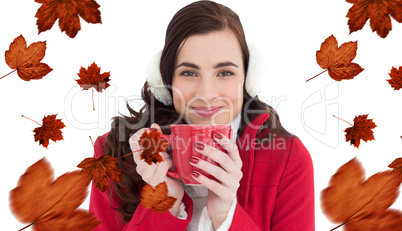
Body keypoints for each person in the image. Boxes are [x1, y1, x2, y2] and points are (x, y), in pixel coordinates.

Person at [89, 1, 315, 230]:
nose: (206, 94)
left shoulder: (288, 159)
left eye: (225, 72)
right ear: (165, 81)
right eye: (188, 72)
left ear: (248, 78)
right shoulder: (113, 154)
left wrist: (226, 214)